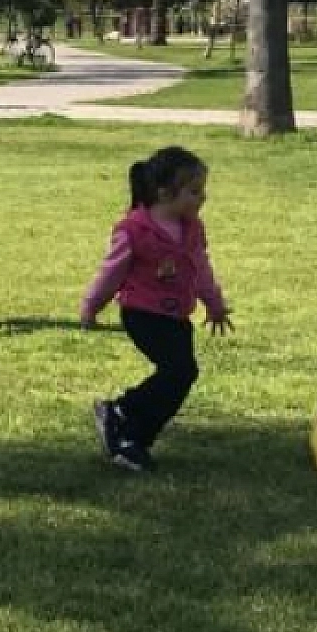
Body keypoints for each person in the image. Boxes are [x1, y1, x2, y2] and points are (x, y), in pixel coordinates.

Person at [81, 146, 232, 472]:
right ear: (164, 193)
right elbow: (111, 272)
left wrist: (215, 304)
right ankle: (121, 412)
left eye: (202, 191)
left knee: (181, 375)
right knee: (179, 371)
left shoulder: (193, 229)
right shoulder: (133, 229)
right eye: (194, 192)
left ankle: (132, 439)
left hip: (177, 316)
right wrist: (92, 305)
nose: (201, 199)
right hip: (142, 313)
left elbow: (201, 268)